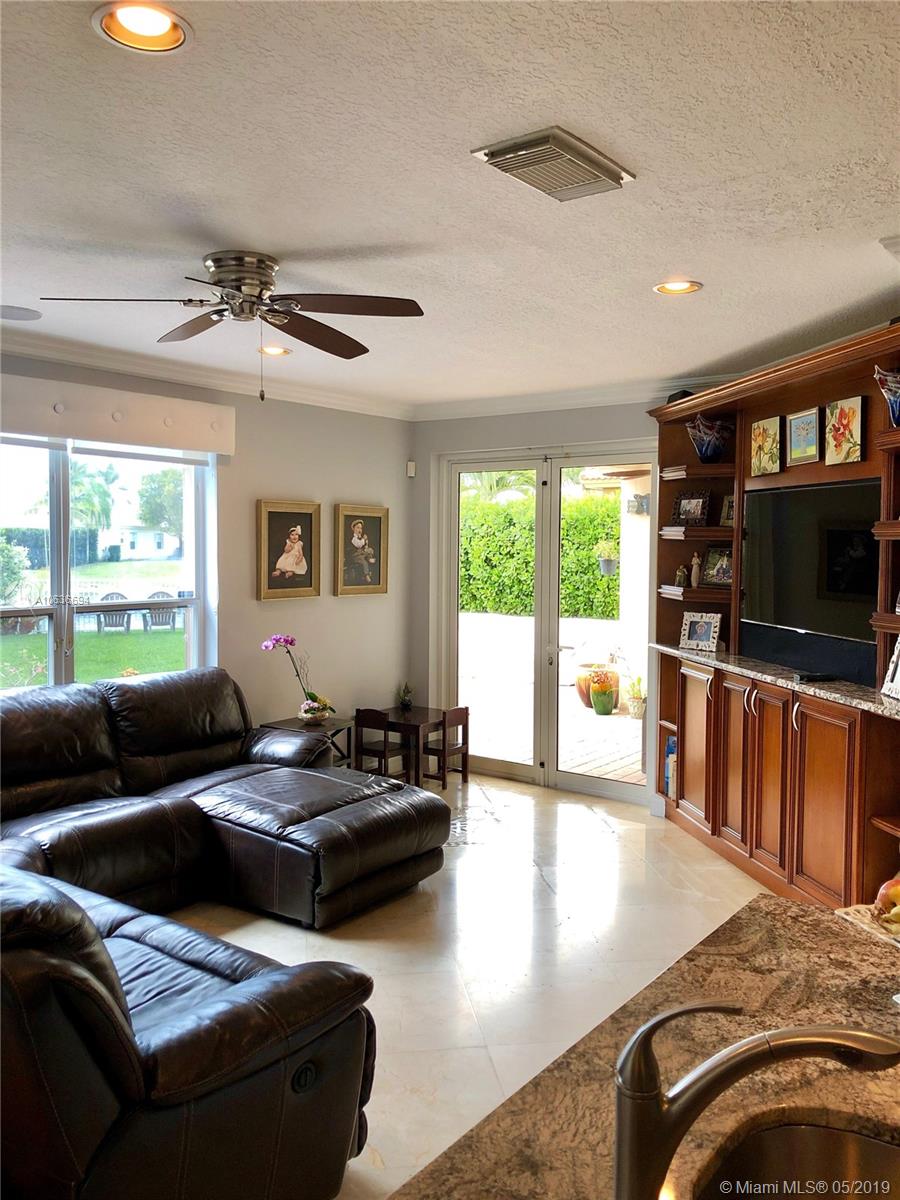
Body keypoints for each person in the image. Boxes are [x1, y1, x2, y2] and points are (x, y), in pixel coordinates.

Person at [346, 519, 376, 585]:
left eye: (361, 528)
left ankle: (369, 558)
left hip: (361, 553)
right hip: (355, 555)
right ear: (353, 529)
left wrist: (366, 543)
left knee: (370, 550)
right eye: (358, 528)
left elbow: (364, 546)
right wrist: (363, 539)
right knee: (363, 562)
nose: (360, 530)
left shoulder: (360, 537)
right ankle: (366, 575)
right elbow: (359, 545)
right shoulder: (353, 538)